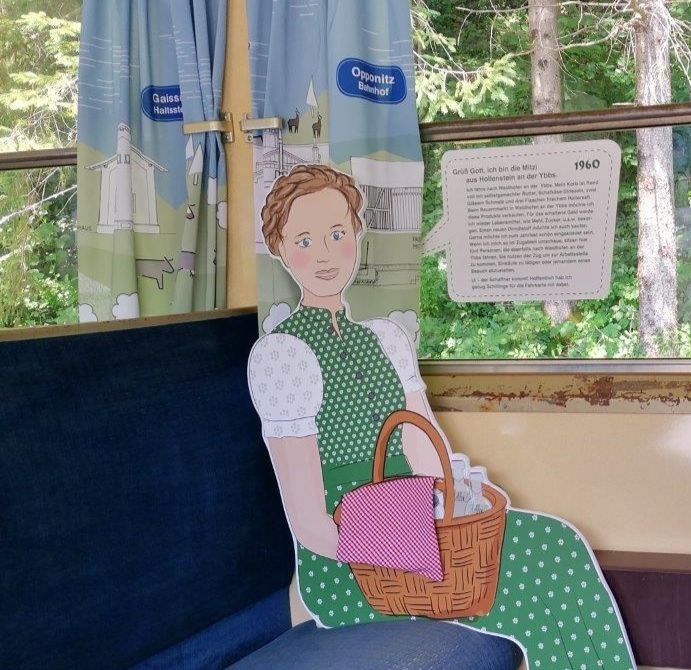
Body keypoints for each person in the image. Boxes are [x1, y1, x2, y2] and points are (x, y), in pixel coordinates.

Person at [247, 165, 634, 669]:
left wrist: (457, 517)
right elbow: (309, 524)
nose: (324, 254)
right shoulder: (281, 355)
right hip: (351, 562)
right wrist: (406, 550)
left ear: (356, 234)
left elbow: (427, 457)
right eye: (304, 240)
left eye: (337, 234)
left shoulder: (385, 339)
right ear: (279, 249)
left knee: (559, 546)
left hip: (425, 524)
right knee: (541, 573)